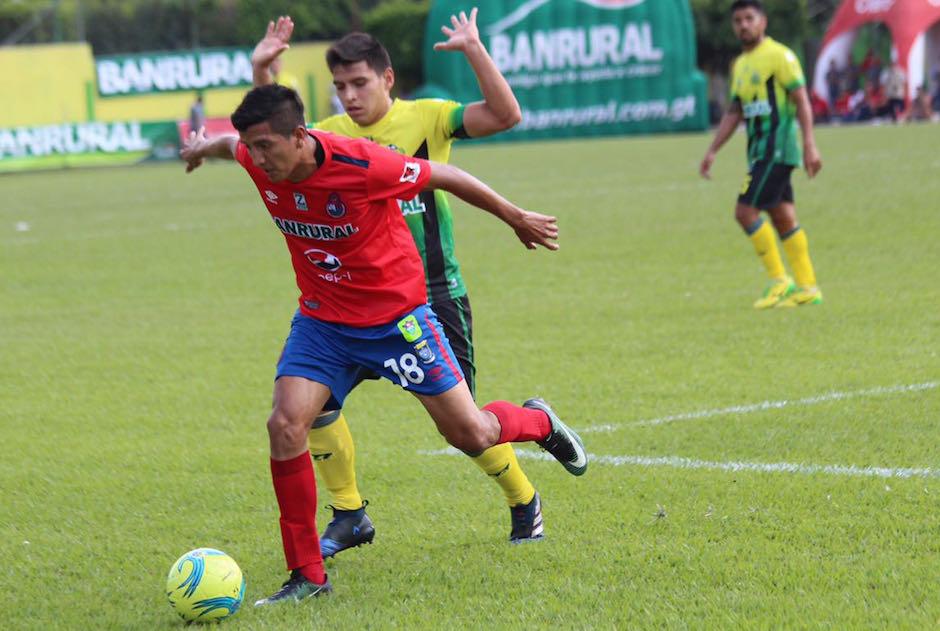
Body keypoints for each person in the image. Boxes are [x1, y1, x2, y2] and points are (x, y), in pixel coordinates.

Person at [179, 84, 587, 605]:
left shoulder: (363, 164)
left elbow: (446, 174)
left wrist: (515, 217)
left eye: (265, 147)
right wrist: (201, 148)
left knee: (472, 432)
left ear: (300, 137)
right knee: (285, 424)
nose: (256, 158)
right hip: (323, 322)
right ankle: (307, 576)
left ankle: (540, 422)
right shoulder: (256, 157)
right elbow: (226, 147)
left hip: (397, 320)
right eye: (250, 148)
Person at [249, 11, 547, 556]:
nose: (348, 97)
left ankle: (522, 494)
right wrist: (264, 70)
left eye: (359, 83)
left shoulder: (427, 117)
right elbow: (271, 135)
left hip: (431, 292)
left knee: (468, 429)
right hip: (346, 304)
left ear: (387, 79)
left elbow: (505, 116)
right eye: (339, 87)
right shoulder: (326, 137)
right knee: (314, 408)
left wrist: (475, 50)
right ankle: (348, 513)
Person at [699, 0, 823, 308]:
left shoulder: (780, 56)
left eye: (749, 18)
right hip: (758, 150)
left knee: (745, 212)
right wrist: (713, 150)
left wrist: (810, 144)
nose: (743, 25)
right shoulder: (740, 65)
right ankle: (808, 287)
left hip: (777, 147)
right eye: (738, 20)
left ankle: (780, 281)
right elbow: (734, 112)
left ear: (763, 22)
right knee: (782, 216)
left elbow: (801, 101)